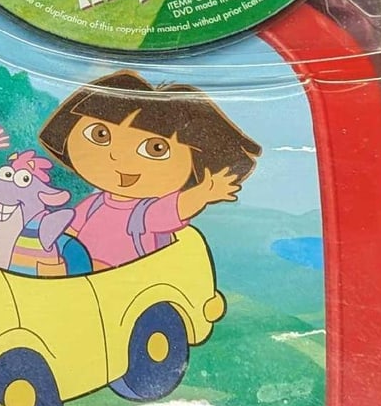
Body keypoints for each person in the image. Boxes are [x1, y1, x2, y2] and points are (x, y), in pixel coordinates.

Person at [38, 71, 260, 271]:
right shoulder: (93, 204)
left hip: (132, 280)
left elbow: (178, 207)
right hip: (84, 274)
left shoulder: (145, 213)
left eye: (156, 148)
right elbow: (71, 231)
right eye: (100, 135)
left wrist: (203, 193)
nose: (117, 156)